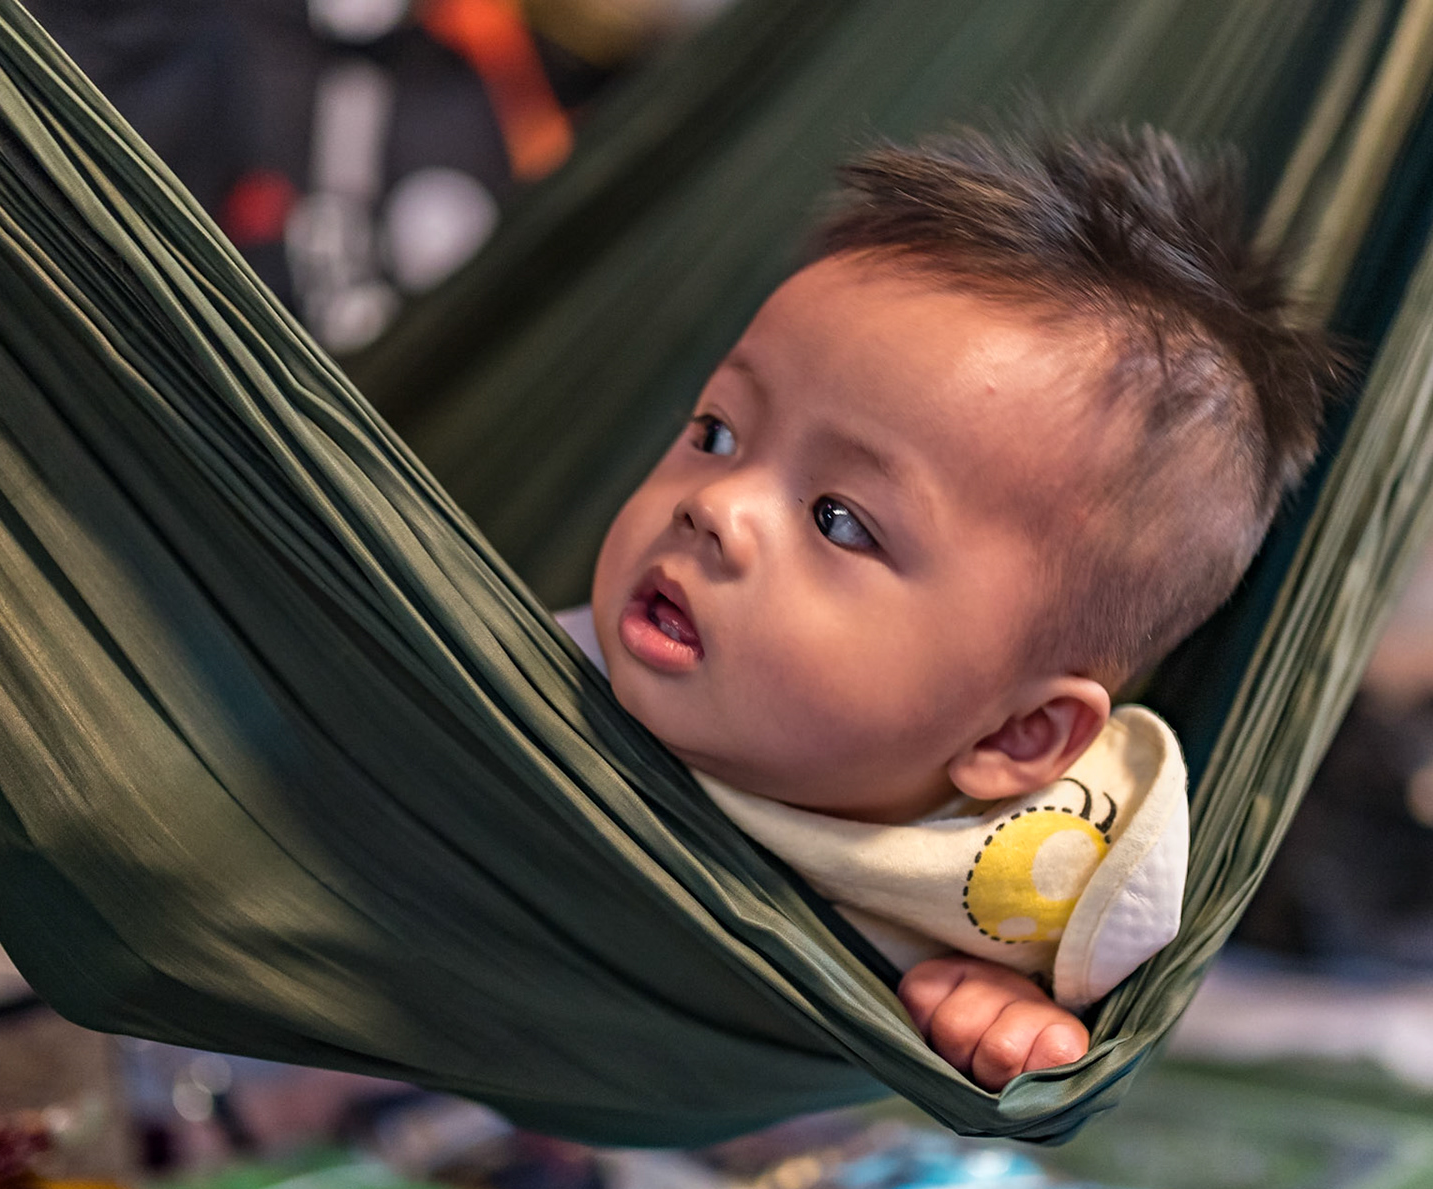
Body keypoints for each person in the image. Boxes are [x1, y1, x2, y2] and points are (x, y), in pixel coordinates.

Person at [559, 126, 1339, 1091]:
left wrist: (998, 997)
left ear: (1019, 738)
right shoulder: (514, 683)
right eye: (716, 432)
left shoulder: (1036, 873)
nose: (712, 508)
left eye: (840, 520)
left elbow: (1034, 1012)